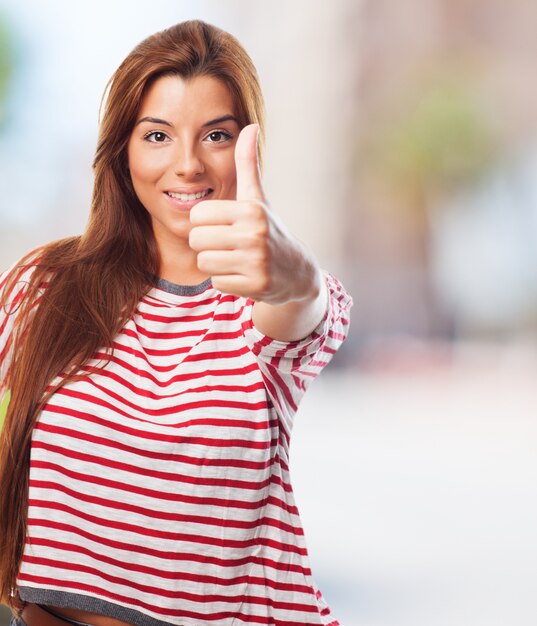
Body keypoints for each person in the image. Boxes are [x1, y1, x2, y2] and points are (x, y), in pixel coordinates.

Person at [0, 19, 352, 626]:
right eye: (157, 135)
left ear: (247, 148)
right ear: (122, 150)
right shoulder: (47, 285)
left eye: (216, 135)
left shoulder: (260, 304)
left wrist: (294, 273)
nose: (187, 165)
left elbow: (304, 306)